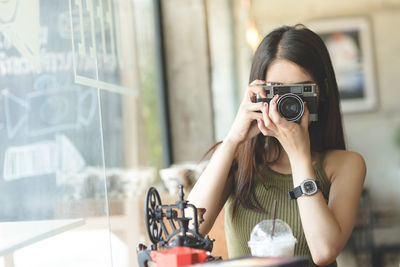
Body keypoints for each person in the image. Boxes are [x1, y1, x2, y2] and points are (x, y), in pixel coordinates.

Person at [187, 24, 366, 267]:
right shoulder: (238, 160)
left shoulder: (346, 165)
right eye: (278, 91)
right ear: (259, 93)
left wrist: (299, 156)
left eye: (300, 91)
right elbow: (186, 235)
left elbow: (324, 251)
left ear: (321, 93)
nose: (288, 104)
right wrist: (232, 140)